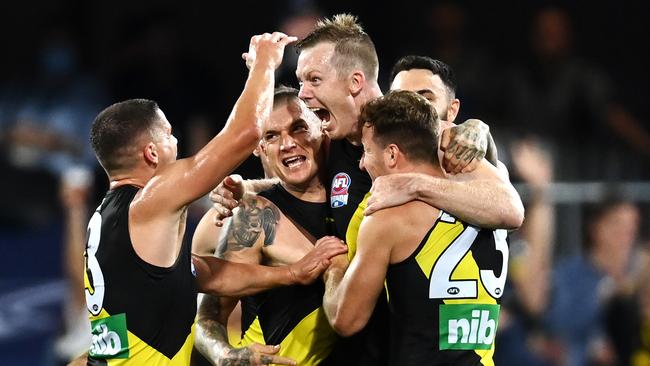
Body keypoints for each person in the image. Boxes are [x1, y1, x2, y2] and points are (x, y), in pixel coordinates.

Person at [210, 14, 523, 365]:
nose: (304, 94)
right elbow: (294, 182)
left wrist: (467, 139)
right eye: (300, 82)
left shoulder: (426, 136)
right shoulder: (332, 142)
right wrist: (243, 188)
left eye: (314, 80)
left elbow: (510, 209)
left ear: (354, 82)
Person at [79, 32, 347, 365]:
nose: (177, 143)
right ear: (151, 152)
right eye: (169, 135)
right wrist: (264, 62)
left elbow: (203, 273)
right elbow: (245, 132)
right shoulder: (150, 200)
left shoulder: (109, 220)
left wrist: (291, 273)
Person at [322, 90, 510, 365]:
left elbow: (345, 319)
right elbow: (515, 210)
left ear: (392, 155)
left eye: (366, 150)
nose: (362, 163)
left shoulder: (388, 218)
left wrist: (334, 270)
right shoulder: (491, 197)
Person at [192, 86, 339, 365]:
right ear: (260, 149)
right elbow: (208, 316)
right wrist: (226, 356)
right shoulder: (253, 217)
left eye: (299, 128)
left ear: (322, 129)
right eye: (272, 136)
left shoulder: (355, 191)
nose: (287, 144)